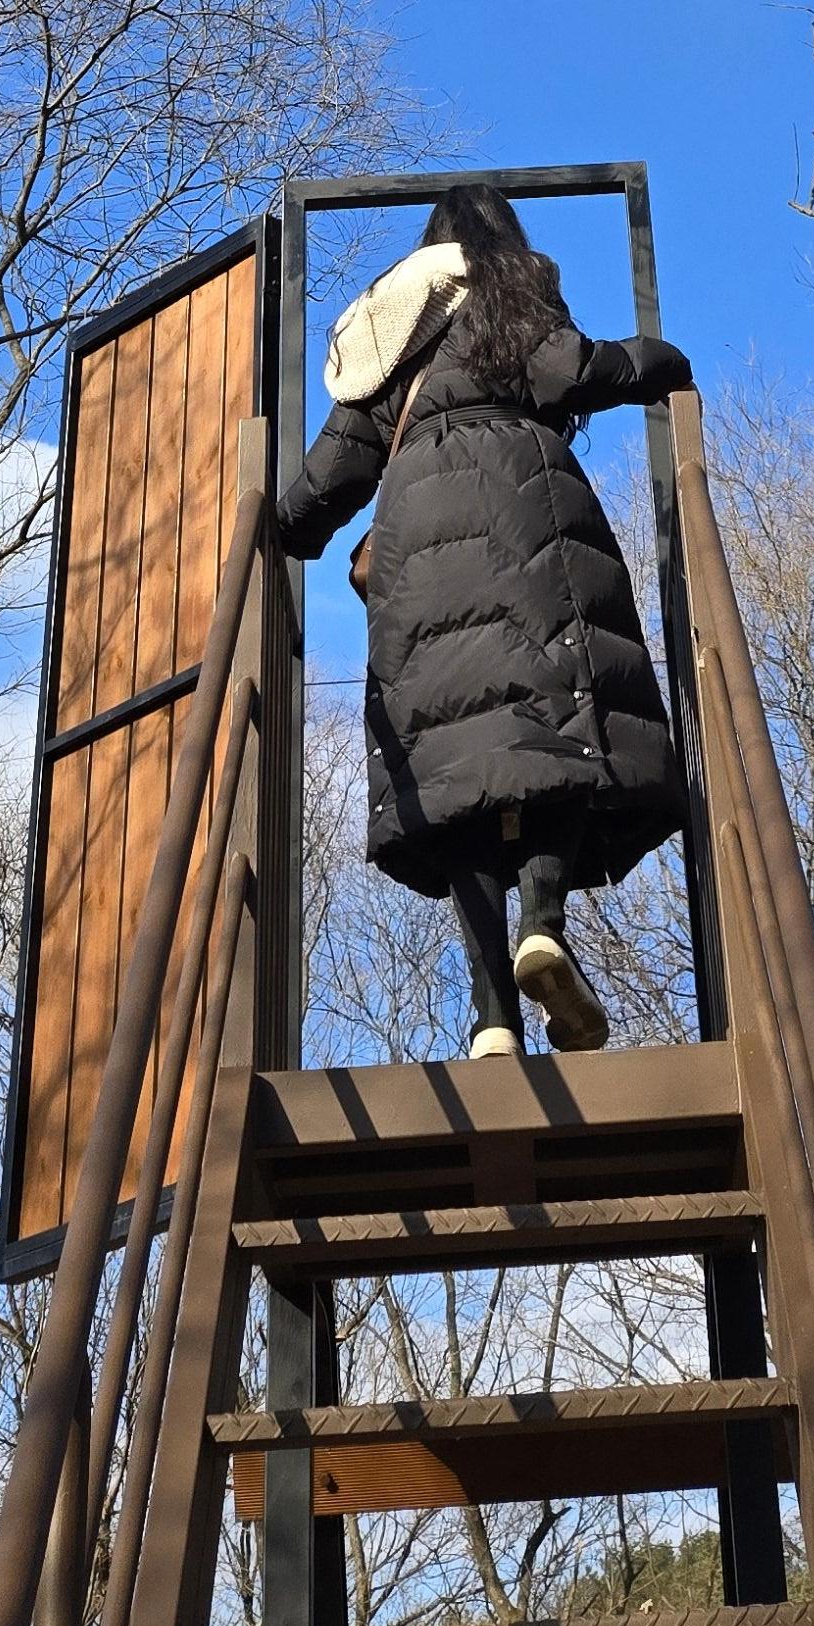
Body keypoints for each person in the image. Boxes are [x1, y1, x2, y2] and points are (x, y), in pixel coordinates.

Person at [278, 189, 696, 1058]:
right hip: (528, 520)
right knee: (563, 729)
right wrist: (667, 362)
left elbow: (324, 485)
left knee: (459, 773)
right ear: (501, 241)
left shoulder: (388, 336)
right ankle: (543, 922)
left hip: (417, 560)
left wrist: (272, 523)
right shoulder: (512, 294)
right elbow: (577, 370)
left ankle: (490, 1016)